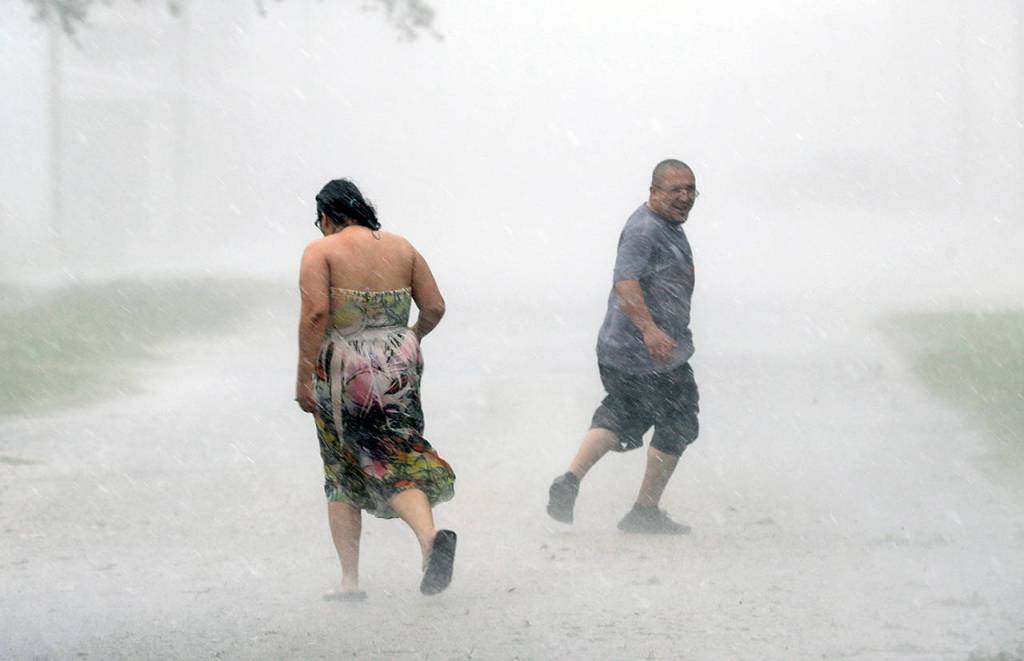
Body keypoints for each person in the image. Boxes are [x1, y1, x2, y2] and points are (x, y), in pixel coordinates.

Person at [295, 179, 457, 599]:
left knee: (341, 469)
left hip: (343, 369)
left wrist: (302, 377)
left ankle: (349, 581)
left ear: (327, 217)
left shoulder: (321, 251)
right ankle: (428, 540)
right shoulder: (403, 247)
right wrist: (410, 338)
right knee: (397, 457)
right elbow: (435, 306)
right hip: (398, 363)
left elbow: (316, 313)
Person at [547, 159, 701, 534]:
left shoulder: (662, 225)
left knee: (624, 414)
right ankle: (644, 512)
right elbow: (626, 283)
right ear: (653, 192)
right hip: (650, 353)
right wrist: (650, 330)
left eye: (690, 189)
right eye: (674, 190)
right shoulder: (645, 230)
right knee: (678, 421)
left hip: (626, 350)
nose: (684, 197)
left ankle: (570, 479)